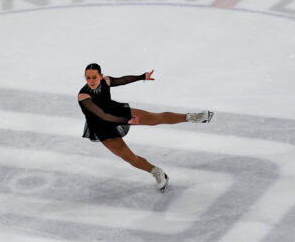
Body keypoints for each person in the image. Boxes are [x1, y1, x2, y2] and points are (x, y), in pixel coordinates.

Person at [77, 63, 213, 192]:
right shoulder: (83, 96)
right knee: (130, 158)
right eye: (88, 77)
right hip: (102, 127)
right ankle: (157, 172)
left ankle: (194, 117)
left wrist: (142, 77)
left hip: (118, 111)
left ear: (101, 76)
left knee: (156, 118)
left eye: (94, 77)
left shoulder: (105, 81)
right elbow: (102, 115)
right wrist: (127, 120)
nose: (91, 80)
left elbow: (123, 80)